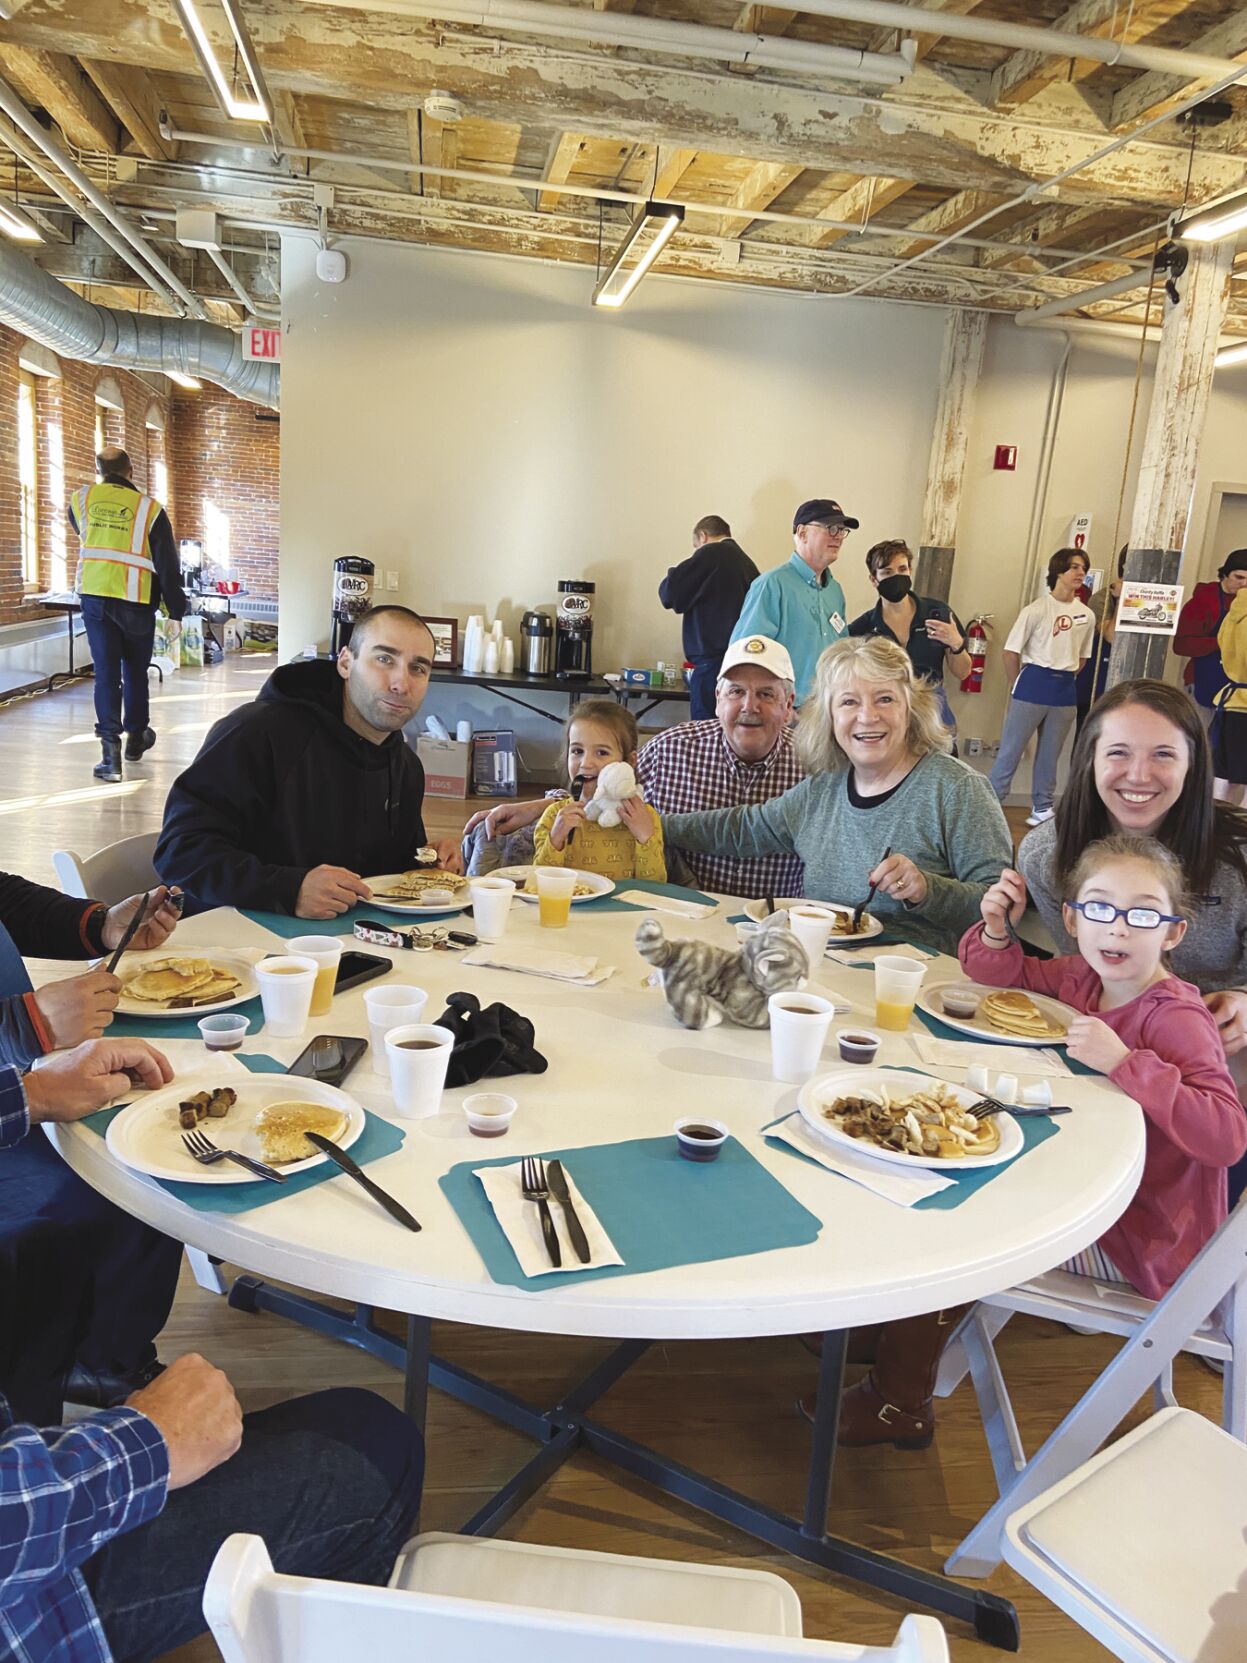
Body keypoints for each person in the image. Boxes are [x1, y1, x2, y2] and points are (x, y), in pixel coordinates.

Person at [1, 1038, 424, 1662]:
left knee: (37, 1257)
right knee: (374, 1443)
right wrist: (144, 1447)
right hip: (26, 1593)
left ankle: (70, 1405)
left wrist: (27, 1093)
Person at [825, 834, 1247, 1451]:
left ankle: (899, 1399)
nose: (1120, 929)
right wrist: (996, 930)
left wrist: (1127, 1060)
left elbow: (1227, 1135)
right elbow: (1006, 975)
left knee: (963, 1220)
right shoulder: (1084, 977)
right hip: (1092, 1186)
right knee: (949, 1162)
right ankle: (891, 1334)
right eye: (1101, 908)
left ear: (1173, 933)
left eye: (1144, 914)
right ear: (1074, 920)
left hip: (1143, 1236)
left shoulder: (1173, 1016)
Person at [660, 636, 1012, 955]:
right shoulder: (823, 789)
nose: (867, 716)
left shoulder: (956, 789)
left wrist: (926, 890)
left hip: (915, 988)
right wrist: (656, 826)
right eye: (849, 702)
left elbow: (1002, 908)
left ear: (911, 708)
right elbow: (743, 829)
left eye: (884, 699)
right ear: (829, 716)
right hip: (823, 973)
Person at [0, 881, 185, 1414]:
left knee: (150, 1139)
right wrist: (21, 1026)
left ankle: (103, 1361)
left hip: (20, 1082)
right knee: (121, 1183)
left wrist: (99, 925)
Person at [156, 605, 463, 916]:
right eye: (384, 659)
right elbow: (180, 852)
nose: (401, 684)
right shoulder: (257, 733)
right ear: (346, 662)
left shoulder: (407, 767)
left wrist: (429, 862)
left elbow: (386, 873)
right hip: (236, 943)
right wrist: (290, 889)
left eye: (418, 668)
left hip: (350, 946)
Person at [461, 636, 805, 899]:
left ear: (788, 706)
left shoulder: (813, 765)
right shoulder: (673, 748)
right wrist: (542, 807)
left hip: (772, 922)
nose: (749, 706)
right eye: (736, 691)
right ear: (717, 700)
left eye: (766, 694)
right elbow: (599, 782)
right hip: (682, 917)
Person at [1017, 681, 1247, 1068]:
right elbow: (1083, 967)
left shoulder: (1239, 854)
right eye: (1118, 753)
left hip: (1219, 1052)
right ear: (1090, 758)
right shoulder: (1045, 854)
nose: (1139, 775)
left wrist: (1243, 998)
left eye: (1163, 755)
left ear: (1193, 764)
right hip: (1101, 1047)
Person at [69, 446, 186, 786]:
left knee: (106, 674)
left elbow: (83, 532)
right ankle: (136, 738)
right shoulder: (150, 509)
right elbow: (167, 564)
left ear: (99, 470)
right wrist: (176, 611)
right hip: (136, 600)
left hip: (95, 599)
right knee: (135, 672)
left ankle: (110, 758)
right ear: (131, 471)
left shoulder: (81, 500)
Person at [988, 547, 1094, 828]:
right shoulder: (1036, 609)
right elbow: (1010, 652)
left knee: (1050, 753)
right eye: (1073, 567)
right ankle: (989, 804)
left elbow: (1082, 657)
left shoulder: (1086, 615)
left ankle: (1042, 806)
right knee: (1011, 750)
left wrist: (1065, 673)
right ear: (1058, 571)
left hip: (1065, 688)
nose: (1080, 573)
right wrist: (1018, 685)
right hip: (1033, 683)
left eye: (1083, 568)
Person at [731, 499, 857, 702]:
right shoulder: (772, 585)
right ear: (802, 533)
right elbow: (746, 657)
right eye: (831, 528)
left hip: (827, 711)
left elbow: (841, 653)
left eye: (842, 530)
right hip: (785, 713)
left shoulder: (835, 591)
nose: (839, 536)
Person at [847, 539, 970, 736]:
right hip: (887, 716)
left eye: (902, 569)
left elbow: (964, 672)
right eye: (887, 572)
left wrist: (956, 643)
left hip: (933, 711)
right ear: (873, 579)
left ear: (910, 571)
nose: (896, 576)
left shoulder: (937, 613)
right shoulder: (864, 628)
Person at [533, 701, 666, 880]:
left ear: (630, 761)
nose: (585, 763)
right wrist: (556, 839)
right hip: (569, 906)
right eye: (577, 751)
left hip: (623, 908)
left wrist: (645, 838)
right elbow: (537, 882)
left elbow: (655, 888)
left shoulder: (646, 817)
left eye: (602, 753)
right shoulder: (554, 815)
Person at [658, 515, 758, 721]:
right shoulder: (747, 563)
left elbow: (670, 592)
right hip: (741, 662)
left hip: (711, 664)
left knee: (705, 732)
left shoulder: (711, 553)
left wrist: (673, 572)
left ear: (703, 537)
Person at [1175, 549, 1247, 803]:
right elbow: (1181, 644)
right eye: (1239, 577)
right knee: (1195, 748)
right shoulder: (1203, 602)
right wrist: (1224, 642)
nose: (1243, 584)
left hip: (1236, 697)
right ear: (1225, 574)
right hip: (1204, 686)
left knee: (1228, 764)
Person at [1075, 546, 1125, 735]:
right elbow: (1111, 636)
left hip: (1126, 688)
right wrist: (1123, 599)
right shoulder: (1101, 599)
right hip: (1095, 685)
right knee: (1089, 741)